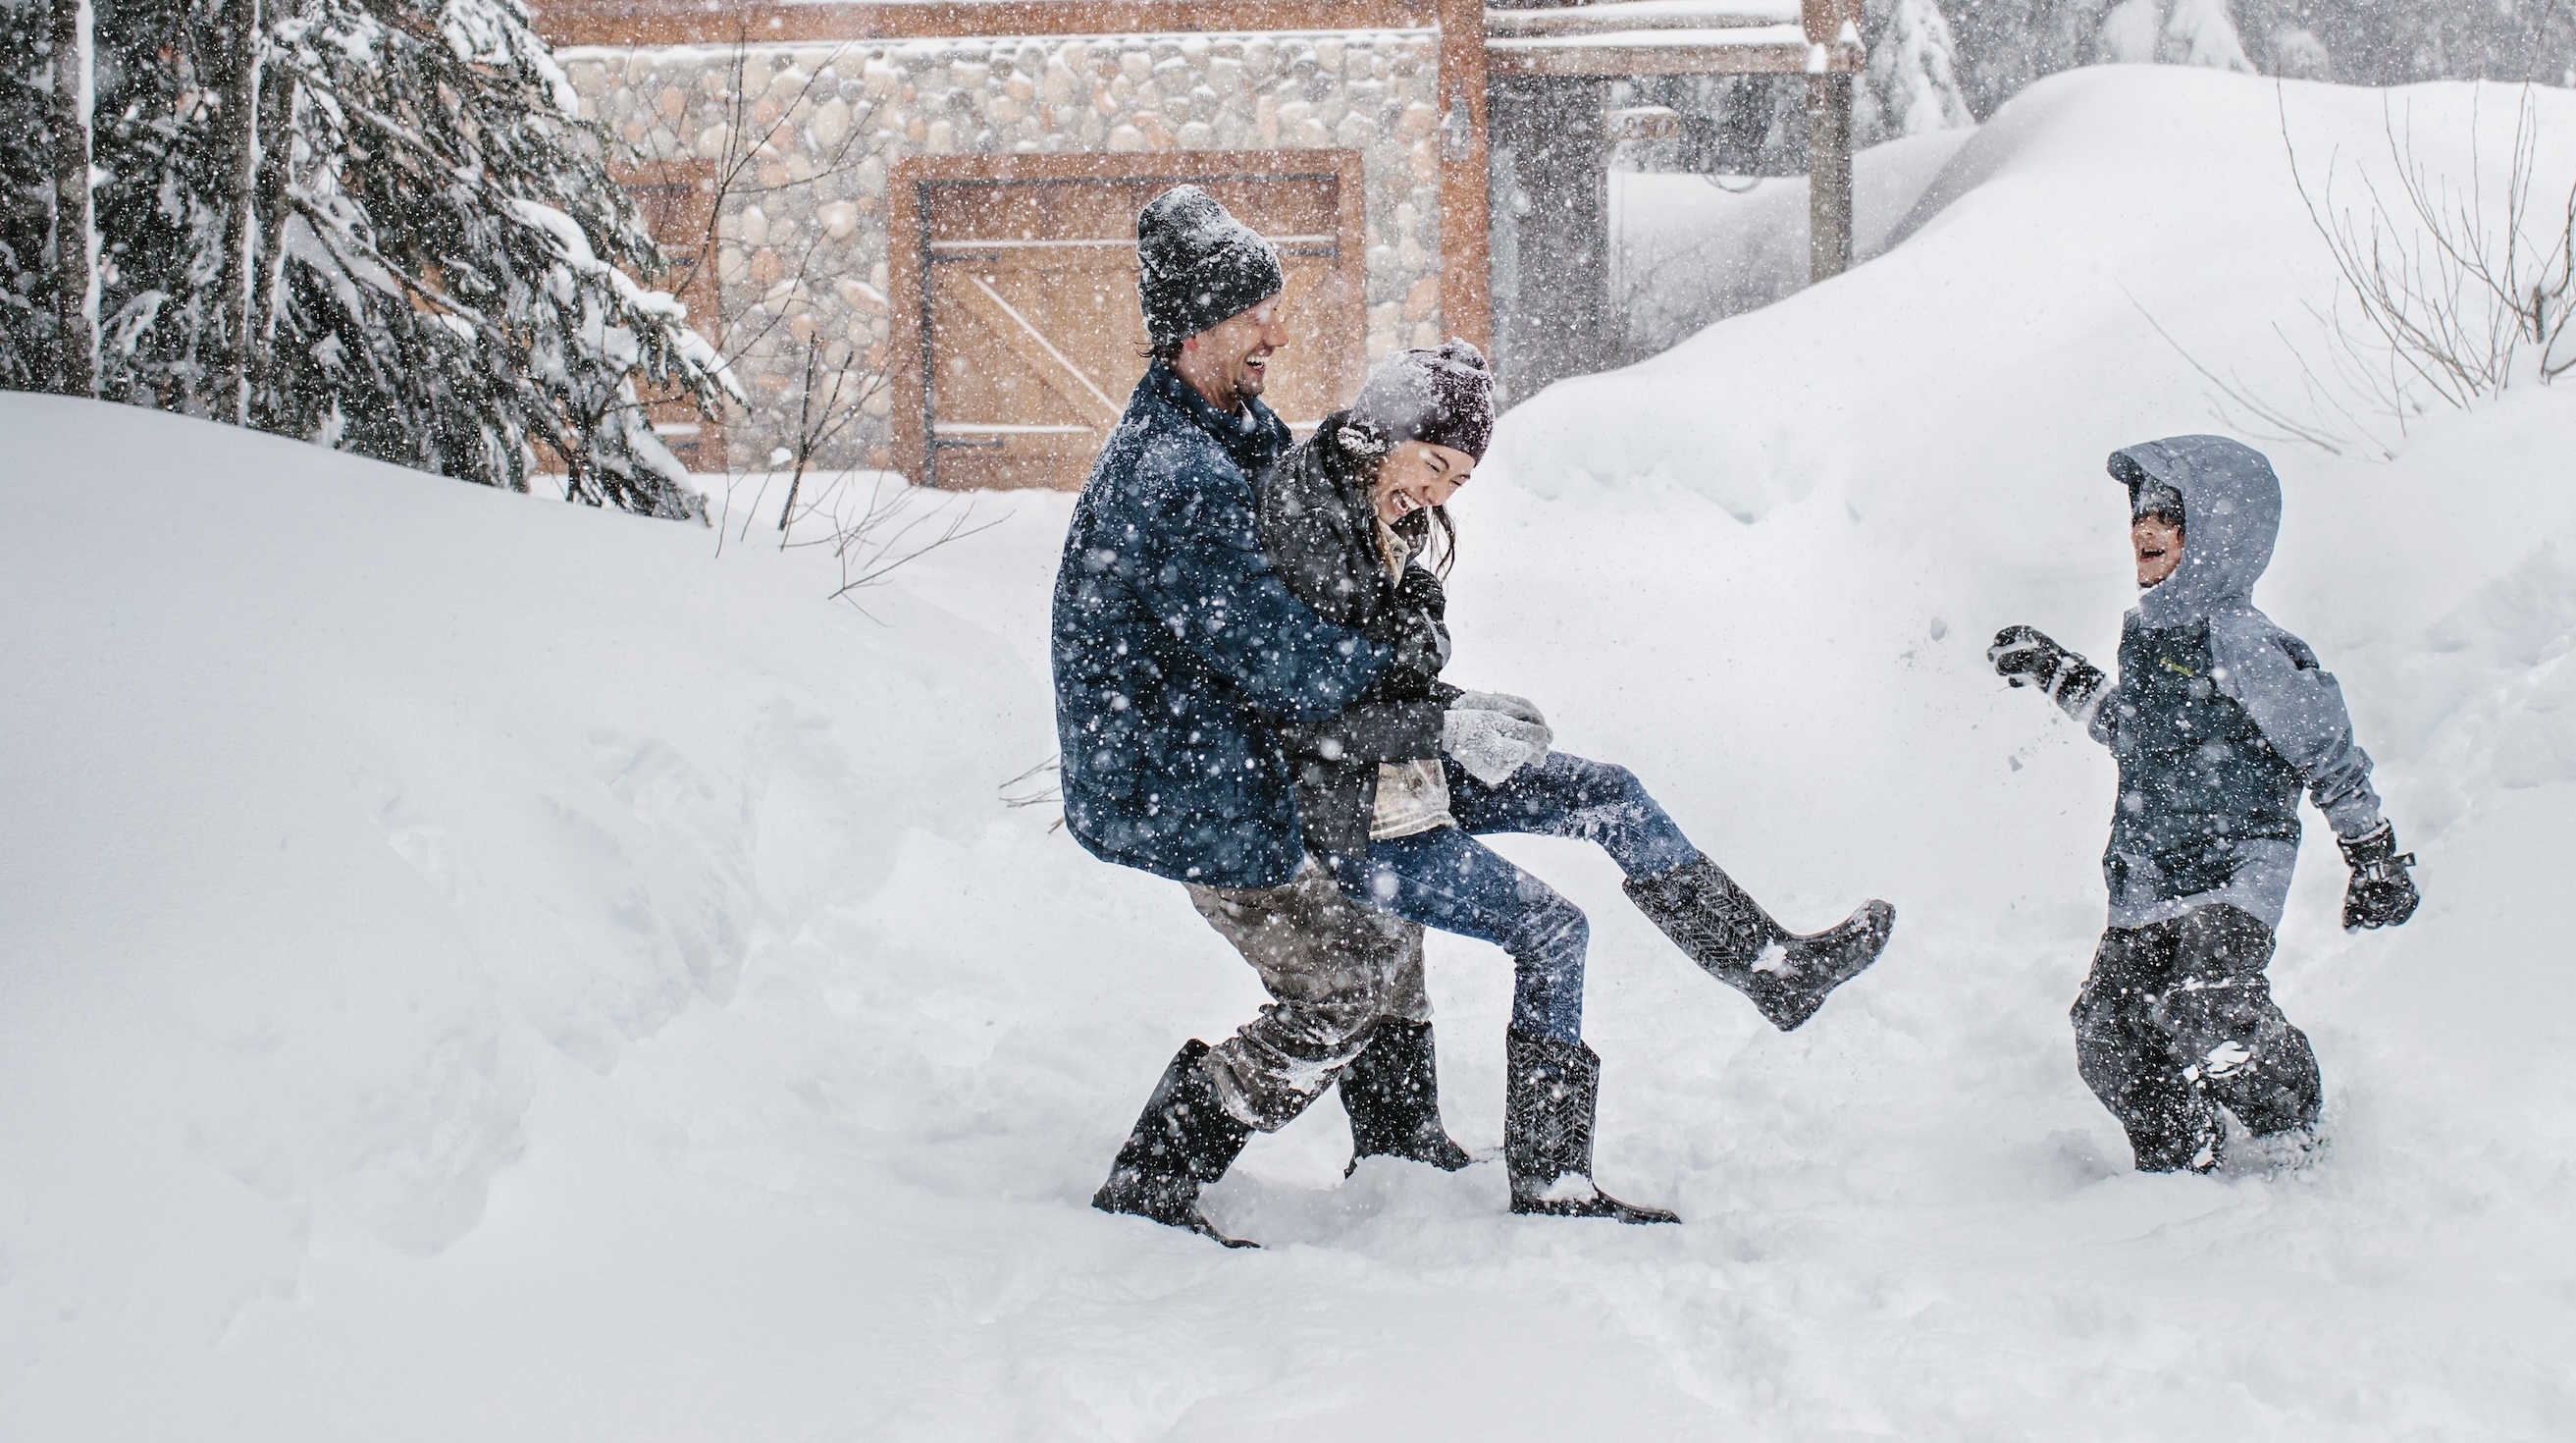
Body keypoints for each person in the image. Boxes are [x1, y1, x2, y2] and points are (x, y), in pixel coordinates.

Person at [1256, 341, 1900, 1226]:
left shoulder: (1383, 510)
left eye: (1458, 481)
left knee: (1611, 794)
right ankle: (1552, 1179)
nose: (1440, 494)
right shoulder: (1303, 522)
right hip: (1346, 807)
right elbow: (1304, 715)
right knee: (1552, 932)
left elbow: (1401, 655)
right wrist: (1439, 716)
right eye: (1434, 465)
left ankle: (1770, 967)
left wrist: (1454, 704)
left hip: (1404, 763)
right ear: (1384, 432)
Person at [1053, 186, 1458, 1248]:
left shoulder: (1234, 429)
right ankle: (1158, 1172)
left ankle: (1404, 1150)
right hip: (1190, 784)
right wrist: (1395, 670)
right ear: (1194, 329)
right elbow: (1276, 652)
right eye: (1255, 314)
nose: (1279, 330)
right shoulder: (1175, 472)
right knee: (1342, 983)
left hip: (1244, 756)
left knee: (1390, 909)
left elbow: (1311, 567)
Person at [1988, 436, 2420, 1174]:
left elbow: (2325, 749)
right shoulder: (2149, 636)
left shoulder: (2243, 640)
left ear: (2219, 532)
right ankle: (2177, 1158)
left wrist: (2372, 856)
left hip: (2234, 865)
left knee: (2210, 1010)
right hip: (2148, 874)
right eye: (2139, 516)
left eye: (2169, 516)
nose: (2145, 533)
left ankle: (2291, 1126)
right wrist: (2055, 670)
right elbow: (2136, 731)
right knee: (2107, 1031)